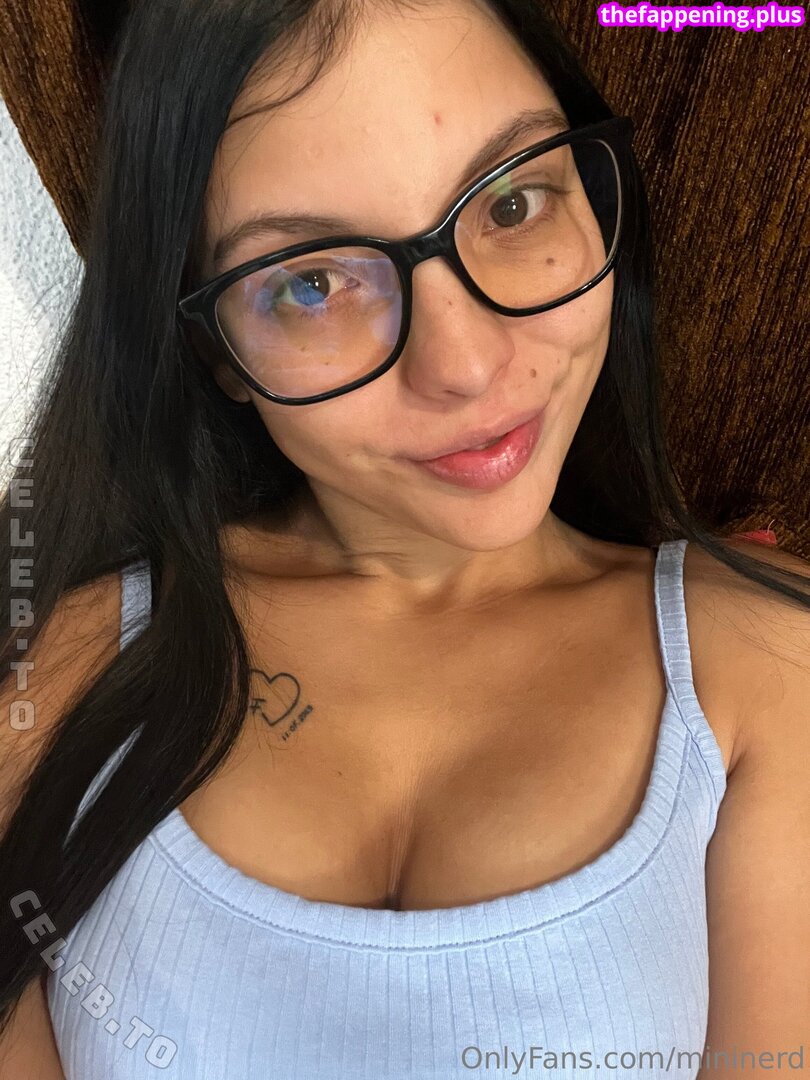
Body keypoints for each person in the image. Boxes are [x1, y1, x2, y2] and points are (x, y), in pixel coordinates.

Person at [0, 0, 808, 1076]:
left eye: (512, 202)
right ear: (214, 351)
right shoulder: (61, 665)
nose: (465, 367)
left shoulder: (764, 664)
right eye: (312, 282)